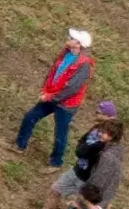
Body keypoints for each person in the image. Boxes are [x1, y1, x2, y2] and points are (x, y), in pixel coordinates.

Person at [12, 29, 94, 164]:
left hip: (65, 104)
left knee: (60, 133)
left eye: (72, 37)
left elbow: (72, 88)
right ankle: (20, 145)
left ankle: (56, 162)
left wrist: (51, 97)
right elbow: (54, 73)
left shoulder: (84, 65)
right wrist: (47, 90)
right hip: (52, 96)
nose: (68, 38)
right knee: (30, 117)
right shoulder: (66, 53)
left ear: (79, 44)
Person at [33, 106, 123, 209]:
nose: (101, 134)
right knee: (55, 190)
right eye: (102, 130)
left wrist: (90, 192)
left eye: (105, 133)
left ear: (112, 137)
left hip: (86, 182)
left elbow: (101, 177)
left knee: (76, 206)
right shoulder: (97, 139)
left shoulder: (109, 154)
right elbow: (81, 147)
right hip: (75, 171)